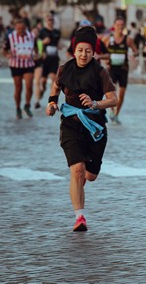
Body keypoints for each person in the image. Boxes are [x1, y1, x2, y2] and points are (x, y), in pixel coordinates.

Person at [45, 26, 118, 232]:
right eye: (80, 50)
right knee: (77, 170)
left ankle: (79, 183)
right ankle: (80, 218)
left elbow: (113, 100)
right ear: (74, 50)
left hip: (95, 127)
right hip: (70, 125)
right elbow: (55, 90)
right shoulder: (64, 69)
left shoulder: (100, 72)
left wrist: (95, 103)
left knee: (90, 176)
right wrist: (51, 104)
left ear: (93, 51)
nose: (83, 54)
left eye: (88, 50)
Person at [102, 17, 138, 124]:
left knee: (121, 94)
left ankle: (117, 114)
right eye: (118, 25)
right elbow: (101, 51)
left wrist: (132, 55)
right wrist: (105, 60)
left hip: (123, 69)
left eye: (122, 25)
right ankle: (112, 111)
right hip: (111, 69)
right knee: (110, 93)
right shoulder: (108, 38)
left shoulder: (128, 39)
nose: (120, 27)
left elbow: (136, 51)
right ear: (114, 26)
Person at [3, 18, 36, 118]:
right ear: (16, 28)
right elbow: (4, 50)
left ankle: (27, 105)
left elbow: (36, 48)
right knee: (18, 88)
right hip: (16, 65)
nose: (21, 31)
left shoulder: (31, 36)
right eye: (19, 29)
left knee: (29, 86)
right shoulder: (11, 37)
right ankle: (18, 108)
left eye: (22, 28)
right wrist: (7, 55)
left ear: (26, 28)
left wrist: (37, 54)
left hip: (28, 64)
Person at [35, 13, 62, 109]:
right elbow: (37, 44)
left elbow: (58, 43)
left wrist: (60, 46)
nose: (50, 21)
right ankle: (40, 94)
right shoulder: (42, 31)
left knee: (53, 80)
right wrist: (42, 42)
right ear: (45, 21)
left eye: (51, 20)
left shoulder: (57, 32)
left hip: (54, 59)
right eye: (48, 20)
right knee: (43, 82)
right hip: (44, 59)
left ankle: (51, 102)